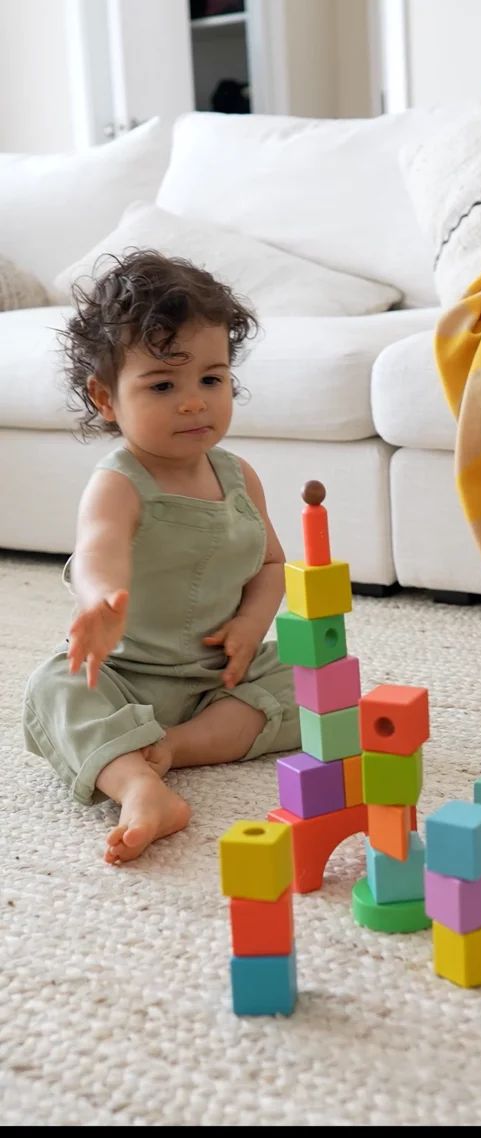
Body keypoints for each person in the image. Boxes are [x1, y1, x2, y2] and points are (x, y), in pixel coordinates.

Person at [22, 250, 300, 864]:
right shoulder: (119, 481)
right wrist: (102, 602)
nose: (194, 402)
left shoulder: (238, 476)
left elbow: (273, 565)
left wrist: (252, 627)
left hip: (217, 676)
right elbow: (99, 550)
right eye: (163, 385)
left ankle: (173, 746)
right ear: (106, 398)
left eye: (211, 378)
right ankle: (138, 785)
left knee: (315, 681)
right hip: (125, 675)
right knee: (54, 688)